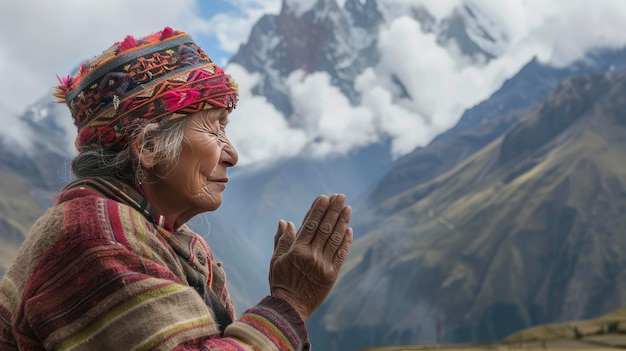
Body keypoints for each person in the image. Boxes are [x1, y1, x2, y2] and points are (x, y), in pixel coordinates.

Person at [0, 27, 353, 350]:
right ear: (149, 147)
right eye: (215, 128)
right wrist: (290, 303)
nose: (232, 155)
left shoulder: (155, 235)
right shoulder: (96, 242)